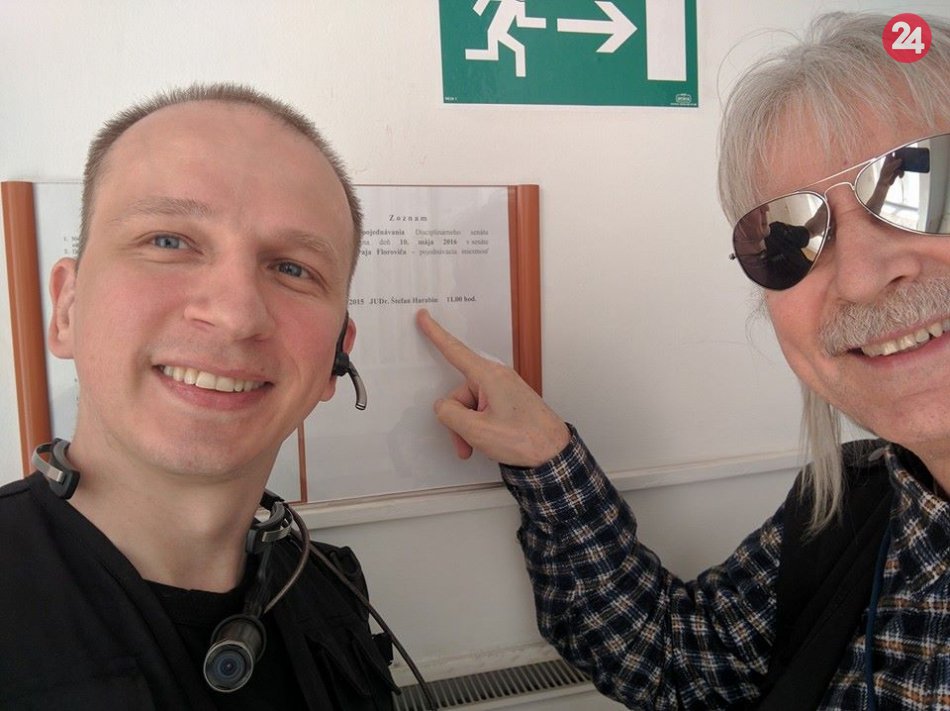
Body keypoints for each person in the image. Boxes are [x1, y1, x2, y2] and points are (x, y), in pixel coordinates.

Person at [418, 12, 950, 710]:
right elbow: (674, 659)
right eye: (786, 235)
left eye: (923, 183)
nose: (860, 276)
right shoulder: (851, 508)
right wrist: (545, 456)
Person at [0, 84, 398, 709]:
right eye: (168, 241)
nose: (237, 314)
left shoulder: (332, 593)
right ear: (68, 309)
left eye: (293, 268)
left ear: (335, 357)